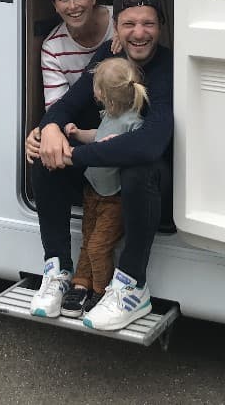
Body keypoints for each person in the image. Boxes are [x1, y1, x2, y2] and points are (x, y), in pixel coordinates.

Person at [26, 0, 172, 332]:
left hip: (148, 186)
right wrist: (49, 130)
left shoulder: (168, 67)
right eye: (129, 24)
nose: (139, 33)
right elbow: (69, 104)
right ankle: (57, 269)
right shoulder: (108, 57)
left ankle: (133, 286)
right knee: (46, 157)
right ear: (117, 29)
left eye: (148, 24)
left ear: (160, 27)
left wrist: (74, 153)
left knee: (139, 168)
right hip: (103, 176)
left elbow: (148, 145)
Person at [58, 57, 148, 319]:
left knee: (98, 246)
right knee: (88, 241)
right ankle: (81, 283)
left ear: (101, 93)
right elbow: (96, 136)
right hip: (94, 191)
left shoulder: (134, 123)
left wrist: (113, 145)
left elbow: (119, 146)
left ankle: (101, 290)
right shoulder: (111, 115)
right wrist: (76, 134)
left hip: (114, 199)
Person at [39, 0, 114, 110]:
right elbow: (57, 110)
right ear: (55, 6)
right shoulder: (53, 48)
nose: (72, 6)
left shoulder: (121, 22)